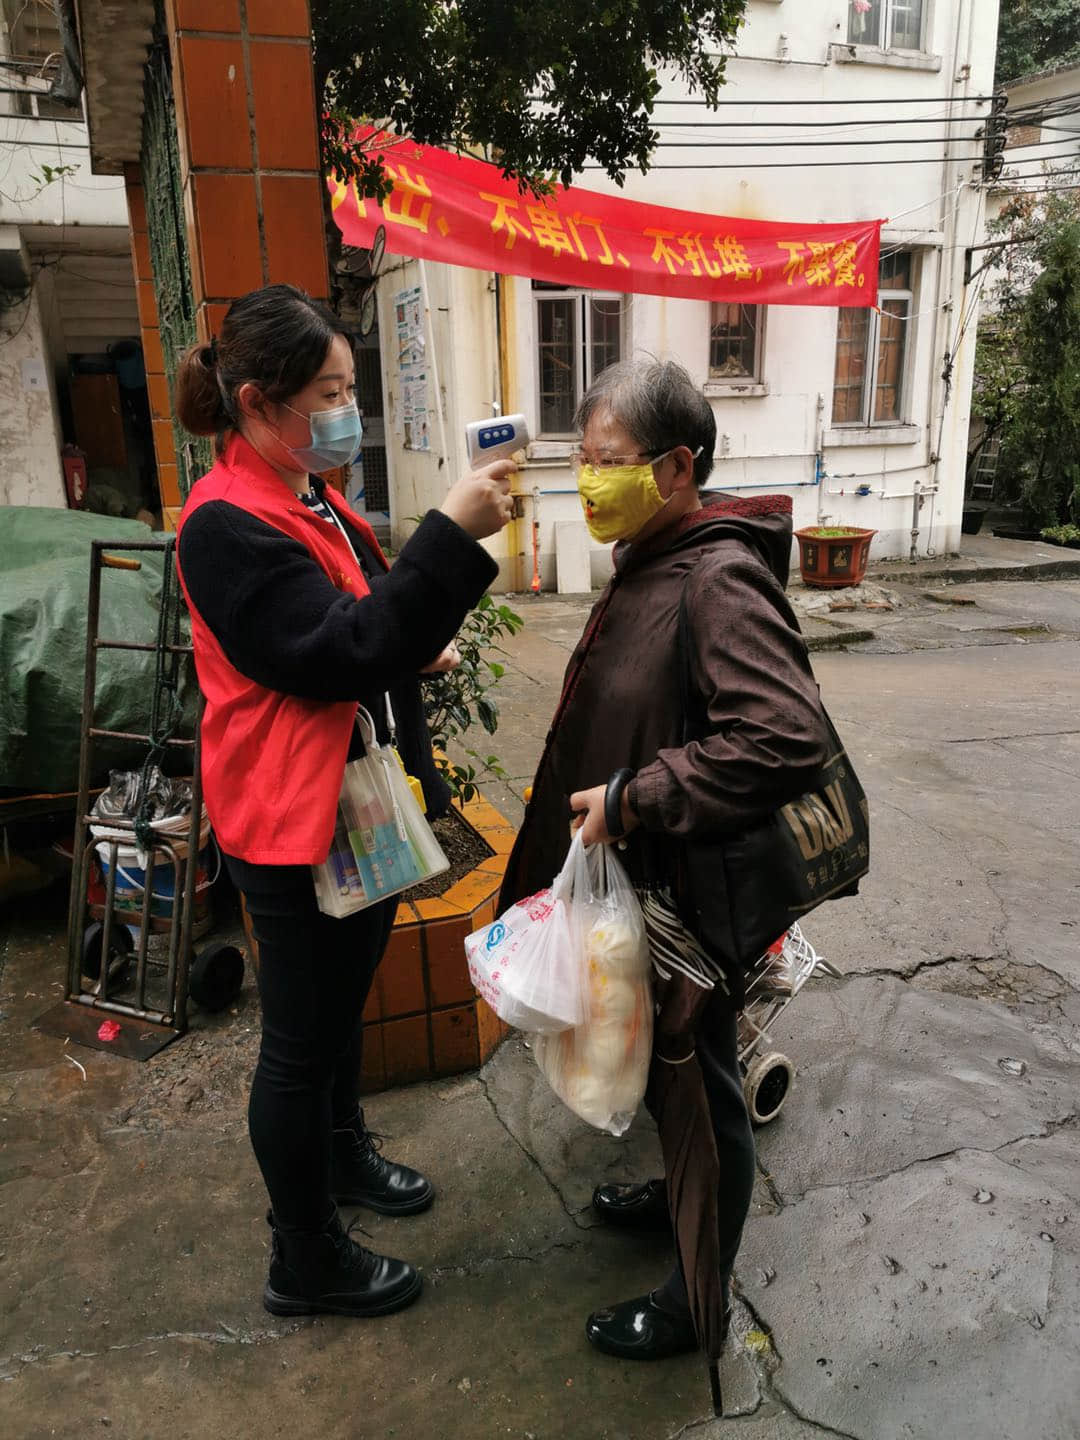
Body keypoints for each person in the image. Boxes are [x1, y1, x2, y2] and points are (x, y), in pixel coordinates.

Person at [174, 283, 514, 1320]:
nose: (346, 414)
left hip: (351, 802)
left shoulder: (302, 492)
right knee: (299, 1040)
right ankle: (304, 1256)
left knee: (344, 1001)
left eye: (350, 390)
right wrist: (452, 535)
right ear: (254, 401)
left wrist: (421, 634)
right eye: (328, 393)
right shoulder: (225, 525)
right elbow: (338, 650)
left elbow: (362, 619)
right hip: (290, 815)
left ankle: (342, 1155)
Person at [499, 358, 831, 1377]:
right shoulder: (652, 552)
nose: (588, 481)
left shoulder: (717, 575)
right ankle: (673, 1204)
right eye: (582, 461)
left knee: (700, 1090)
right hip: (642, 887)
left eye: (608, 463)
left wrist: (638, 796)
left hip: (689, 895)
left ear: (678, 467)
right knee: (666, 1081)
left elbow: (786, 736)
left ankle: (696, 1304)